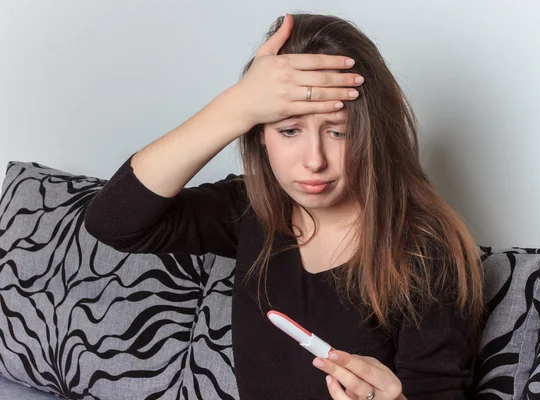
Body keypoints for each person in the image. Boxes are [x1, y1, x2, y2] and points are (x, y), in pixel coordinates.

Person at [84, 12, 485, 400]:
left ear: (372, 135)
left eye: (338, 132)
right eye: (289, 130)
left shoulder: (425, 250)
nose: (314, 160)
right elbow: (114, 221)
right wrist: (235, 106)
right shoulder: (252, 208)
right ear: (259, 133)